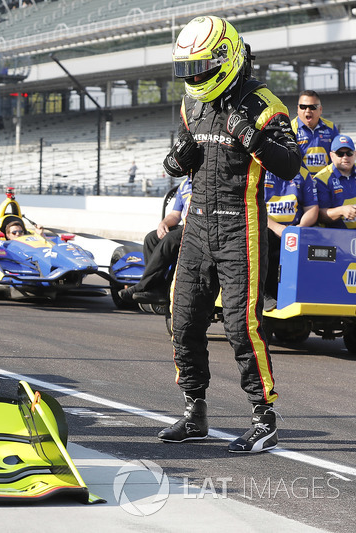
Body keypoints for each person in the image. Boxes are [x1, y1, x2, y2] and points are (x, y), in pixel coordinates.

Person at [158, 16, 301, 453]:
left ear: (226, 57)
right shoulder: (190, 105)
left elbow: (292, 164)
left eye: (201, 68)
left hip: (242, 229)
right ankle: (194, 411)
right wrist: (176, 160)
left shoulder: (263, 102)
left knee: (242, 326)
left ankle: (264, 416)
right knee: (182, 320)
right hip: (197, 226)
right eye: (188, 70)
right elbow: (176, 166)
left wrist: (252, 137)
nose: (195, 78)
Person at [118, 176, 192, 304]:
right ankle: (157, 289)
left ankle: (143, 285)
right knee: (151, 238)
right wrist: (163, 223)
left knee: (170, 238)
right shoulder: (184, 184)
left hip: (198, 228)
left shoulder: (205, 180)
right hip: (184, 227)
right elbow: (175, 214)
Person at [263, 170, 318, 309]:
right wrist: (278, 228)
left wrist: (298, 229)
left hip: (295, 229)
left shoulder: (303, 174)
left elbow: (312, 208)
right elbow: (254, 208)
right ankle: (264, 294)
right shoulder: (260, 171)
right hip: (267, 226)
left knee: (317, 240)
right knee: (263, 240)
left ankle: (308, 293)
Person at [292, 90, 339, 181]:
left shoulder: (331, 128)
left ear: (320, 109)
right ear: (298, 109)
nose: (308, 111)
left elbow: (337, 157)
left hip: (326, 182)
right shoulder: (291, 130)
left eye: (312, 107)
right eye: (303, 107)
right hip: (300, 183)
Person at [314, 135, 356, 228]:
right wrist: (341, 211)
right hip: (336, 236)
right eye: (340, 154)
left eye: (349, 153)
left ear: (355, 154)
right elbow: (319, 215)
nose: (345, 157)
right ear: (331, 156)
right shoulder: (321, 179)